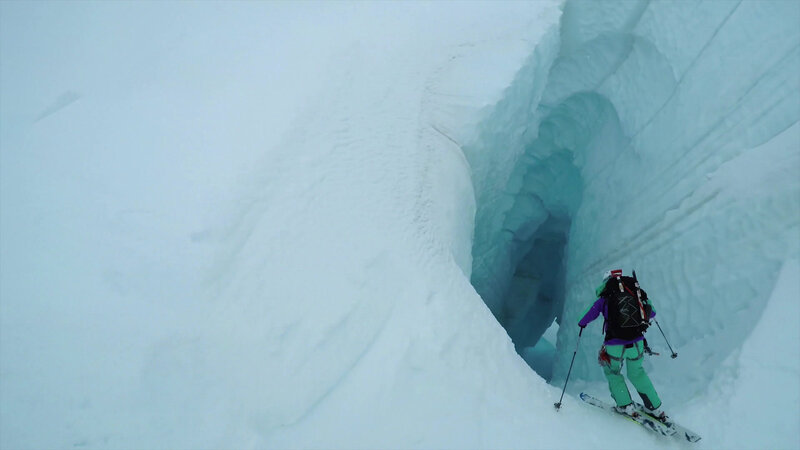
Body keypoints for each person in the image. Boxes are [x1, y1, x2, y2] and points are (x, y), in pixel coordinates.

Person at [578, 269, 669, 422]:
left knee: (613, 373)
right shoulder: (635, 293)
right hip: (637, 342)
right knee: (637, 373)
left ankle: (625, 405)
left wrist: (582, 323)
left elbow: (585, 316)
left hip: (615, 344)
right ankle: (655, 408)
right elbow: (652, 312)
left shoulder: (605, 297)